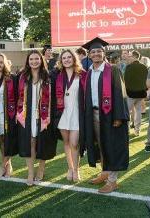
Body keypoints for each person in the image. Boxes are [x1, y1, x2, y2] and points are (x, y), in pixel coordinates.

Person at [81, 37, 129, 193]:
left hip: (110, 115)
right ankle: (105, 172)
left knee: (112, 146)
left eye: (99, 51)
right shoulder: (89, 72)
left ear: (104, 53)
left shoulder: (112, 70)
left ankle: (112, 181)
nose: (96, 54)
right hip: (93, 114)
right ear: (89, 55)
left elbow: (120, 93)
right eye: (93, 52)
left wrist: (118, 117)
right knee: (100, 145)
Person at [17, 50, 57, 186]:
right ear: (28, 61)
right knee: (31, 142)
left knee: (43, 143)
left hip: (44, 115)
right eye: (31, 59)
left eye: (37, 59)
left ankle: (41, 168)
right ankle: (30, 172)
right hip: (27, 115)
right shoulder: (22, 77)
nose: (34, 61)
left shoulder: (48, 77)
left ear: (41, 60)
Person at [53, 49, 85, 182]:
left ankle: (76, 169)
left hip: (77, 113)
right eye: (64, 58)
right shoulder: (57, 76)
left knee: (74, 143)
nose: (66, 60)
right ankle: (70, 168)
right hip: (63, 113)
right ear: (61, 61)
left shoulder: (82, 75)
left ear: (74, 59)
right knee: (66, 142)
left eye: (69, 57)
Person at [124, 50, 148, 136]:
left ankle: (127, 130)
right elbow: (146, 80)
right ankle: (137, 130)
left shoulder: (129, 67)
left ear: (134, 57)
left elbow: (125, 80)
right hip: (141, 93)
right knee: (138, 112)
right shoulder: (144, 67)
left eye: (130, 56)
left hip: (131, 93)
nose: (129, 57)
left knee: (128, 112)